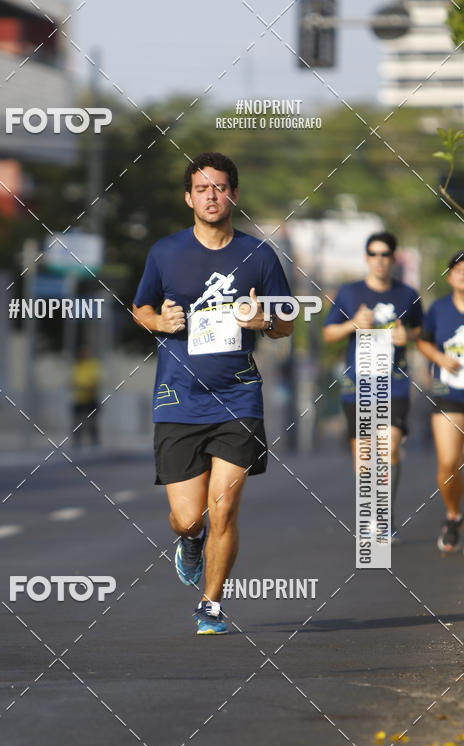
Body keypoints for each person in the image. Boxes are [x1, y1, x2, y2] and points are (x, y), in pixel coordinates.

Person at [132, 151, 293, 635]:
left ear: (234, 195)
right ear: (189, 198)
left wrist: (261, 320)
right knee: (186, 517)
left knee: (224, 506)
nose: (212, 196)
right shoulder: (165, 252)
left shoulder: (259, 255)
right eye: (202, 189)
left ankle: (211, 605)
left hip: (238, 397)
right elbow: (138, 308)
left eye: (220, 187)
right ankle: (191, 540)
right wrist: (159, 321)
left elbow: (286, 323)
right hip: (178, 397)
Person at [322, 231, 422, 542]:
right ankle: (371, 514)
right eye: (374, 254)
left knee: (389, 448)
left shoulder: (407, 294)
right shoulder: (350, 293)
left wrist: (410, 338)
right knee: (365, 456)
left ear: (393, 259)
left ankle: (383, 515)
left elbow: (420, 330)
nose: (379, 260)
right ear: (367, 257)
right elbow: (328, 334)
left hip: (395, 382)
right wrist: (353, 324)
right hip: (359, 384)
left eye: (385, 254)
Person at [416, 251, 464, 552]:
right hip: (449, 395)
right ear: (450, 276)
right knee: (449, 463)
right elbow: (422, 340)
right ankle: (452, 515)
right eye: (459, 270)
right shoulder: (439, 309)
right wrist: (438, 358)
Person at [71, 345, 101, 446]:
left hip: (90, 399)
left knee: (92, 423)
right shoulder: (77, 366)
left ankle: (94, 443)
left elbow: (95, 380)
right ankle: (77, 443)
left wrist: (84, 386)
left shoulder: (93, 365)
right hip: (79, 399)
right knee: (77, 422)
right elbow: (73, 380)